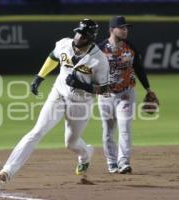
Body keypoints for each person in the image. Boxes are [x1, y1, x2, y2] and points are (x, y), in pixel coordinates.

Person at [0, 19, 109, 183]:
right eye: (78, 32)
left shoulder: (99, 60)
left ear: (91, 37)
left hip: (81, 104)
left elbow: (104, 90)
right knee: (37, 131)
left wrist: (82, 85)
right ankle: (8, 170)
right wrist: (39, 77)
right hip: (58, 95)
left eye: (83, 34)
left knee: (71, 143)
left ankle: (86, 154)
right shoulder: (64, 44)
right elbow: (52, 57)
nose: (78, 37)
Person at [67, 16, 158, 174]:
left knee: (124, 127)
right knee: (108, 130)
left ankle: (124, 162)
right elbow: (86, 68)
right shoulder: (99, 49)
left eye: (126, 27)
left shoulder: (131, 48)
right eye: (121, 27)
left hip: (126, 93)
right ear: (111, 30)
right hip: (106, 95)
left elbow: (139, 68)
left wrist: (148, 89)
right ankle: (112, 162)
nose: (125, 30)